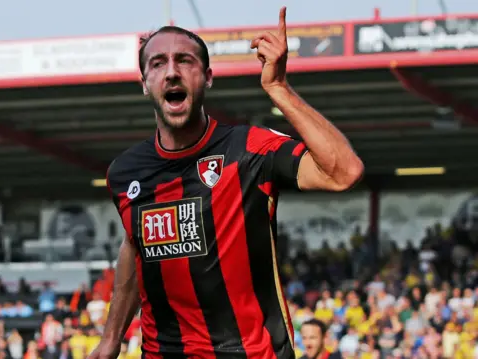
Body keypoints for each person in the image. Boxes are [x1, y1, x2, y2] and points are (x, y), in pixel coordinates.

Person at [91, 6, 364, 359]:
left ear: (207, 77)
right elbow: (135, 244)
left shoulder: (249, 148)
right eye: (158, 63)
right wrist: (111, 337)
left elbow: (344, 173)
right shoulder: (125, 172)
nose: (172, 72)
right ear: (145, 83)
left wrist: (278, 87)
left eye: (184, 61)